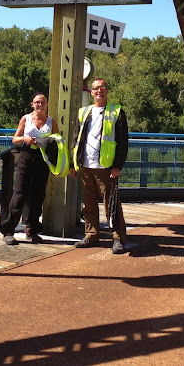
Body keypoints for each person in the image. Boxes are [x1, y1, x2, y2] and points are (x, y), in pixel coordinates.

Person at [69, 77, 129, 254]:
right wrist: (74, 163)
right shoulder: (83, 112)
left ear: (107, 90)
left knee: (111, 205)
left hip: (106, 167)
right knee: (88, 204)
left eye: (102, 88)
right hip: (86, 166)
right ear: (91, 92)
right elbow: (76, 139)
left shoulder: (116, 111)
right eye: (95, 88)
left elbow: (122, 142)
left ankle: (118, 238)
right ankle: (91, 235)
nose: (99, 91)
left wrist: (118, 166)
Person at [0, 92, 58, 245]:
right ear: (32, 104)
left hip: (42, 159)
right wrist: (25, 139)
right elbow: (15, 139)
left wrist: (47, 142)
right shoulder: (26, 119)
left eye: (43, 102)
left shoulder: (51, 122)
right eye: (37, 102)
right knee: (19, 194)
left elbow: (58, 141)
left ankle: (32, 230)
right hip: (26, 156)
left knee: (38, 196)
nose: (40, 105)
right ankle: (8, 230)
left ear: (46, 105)